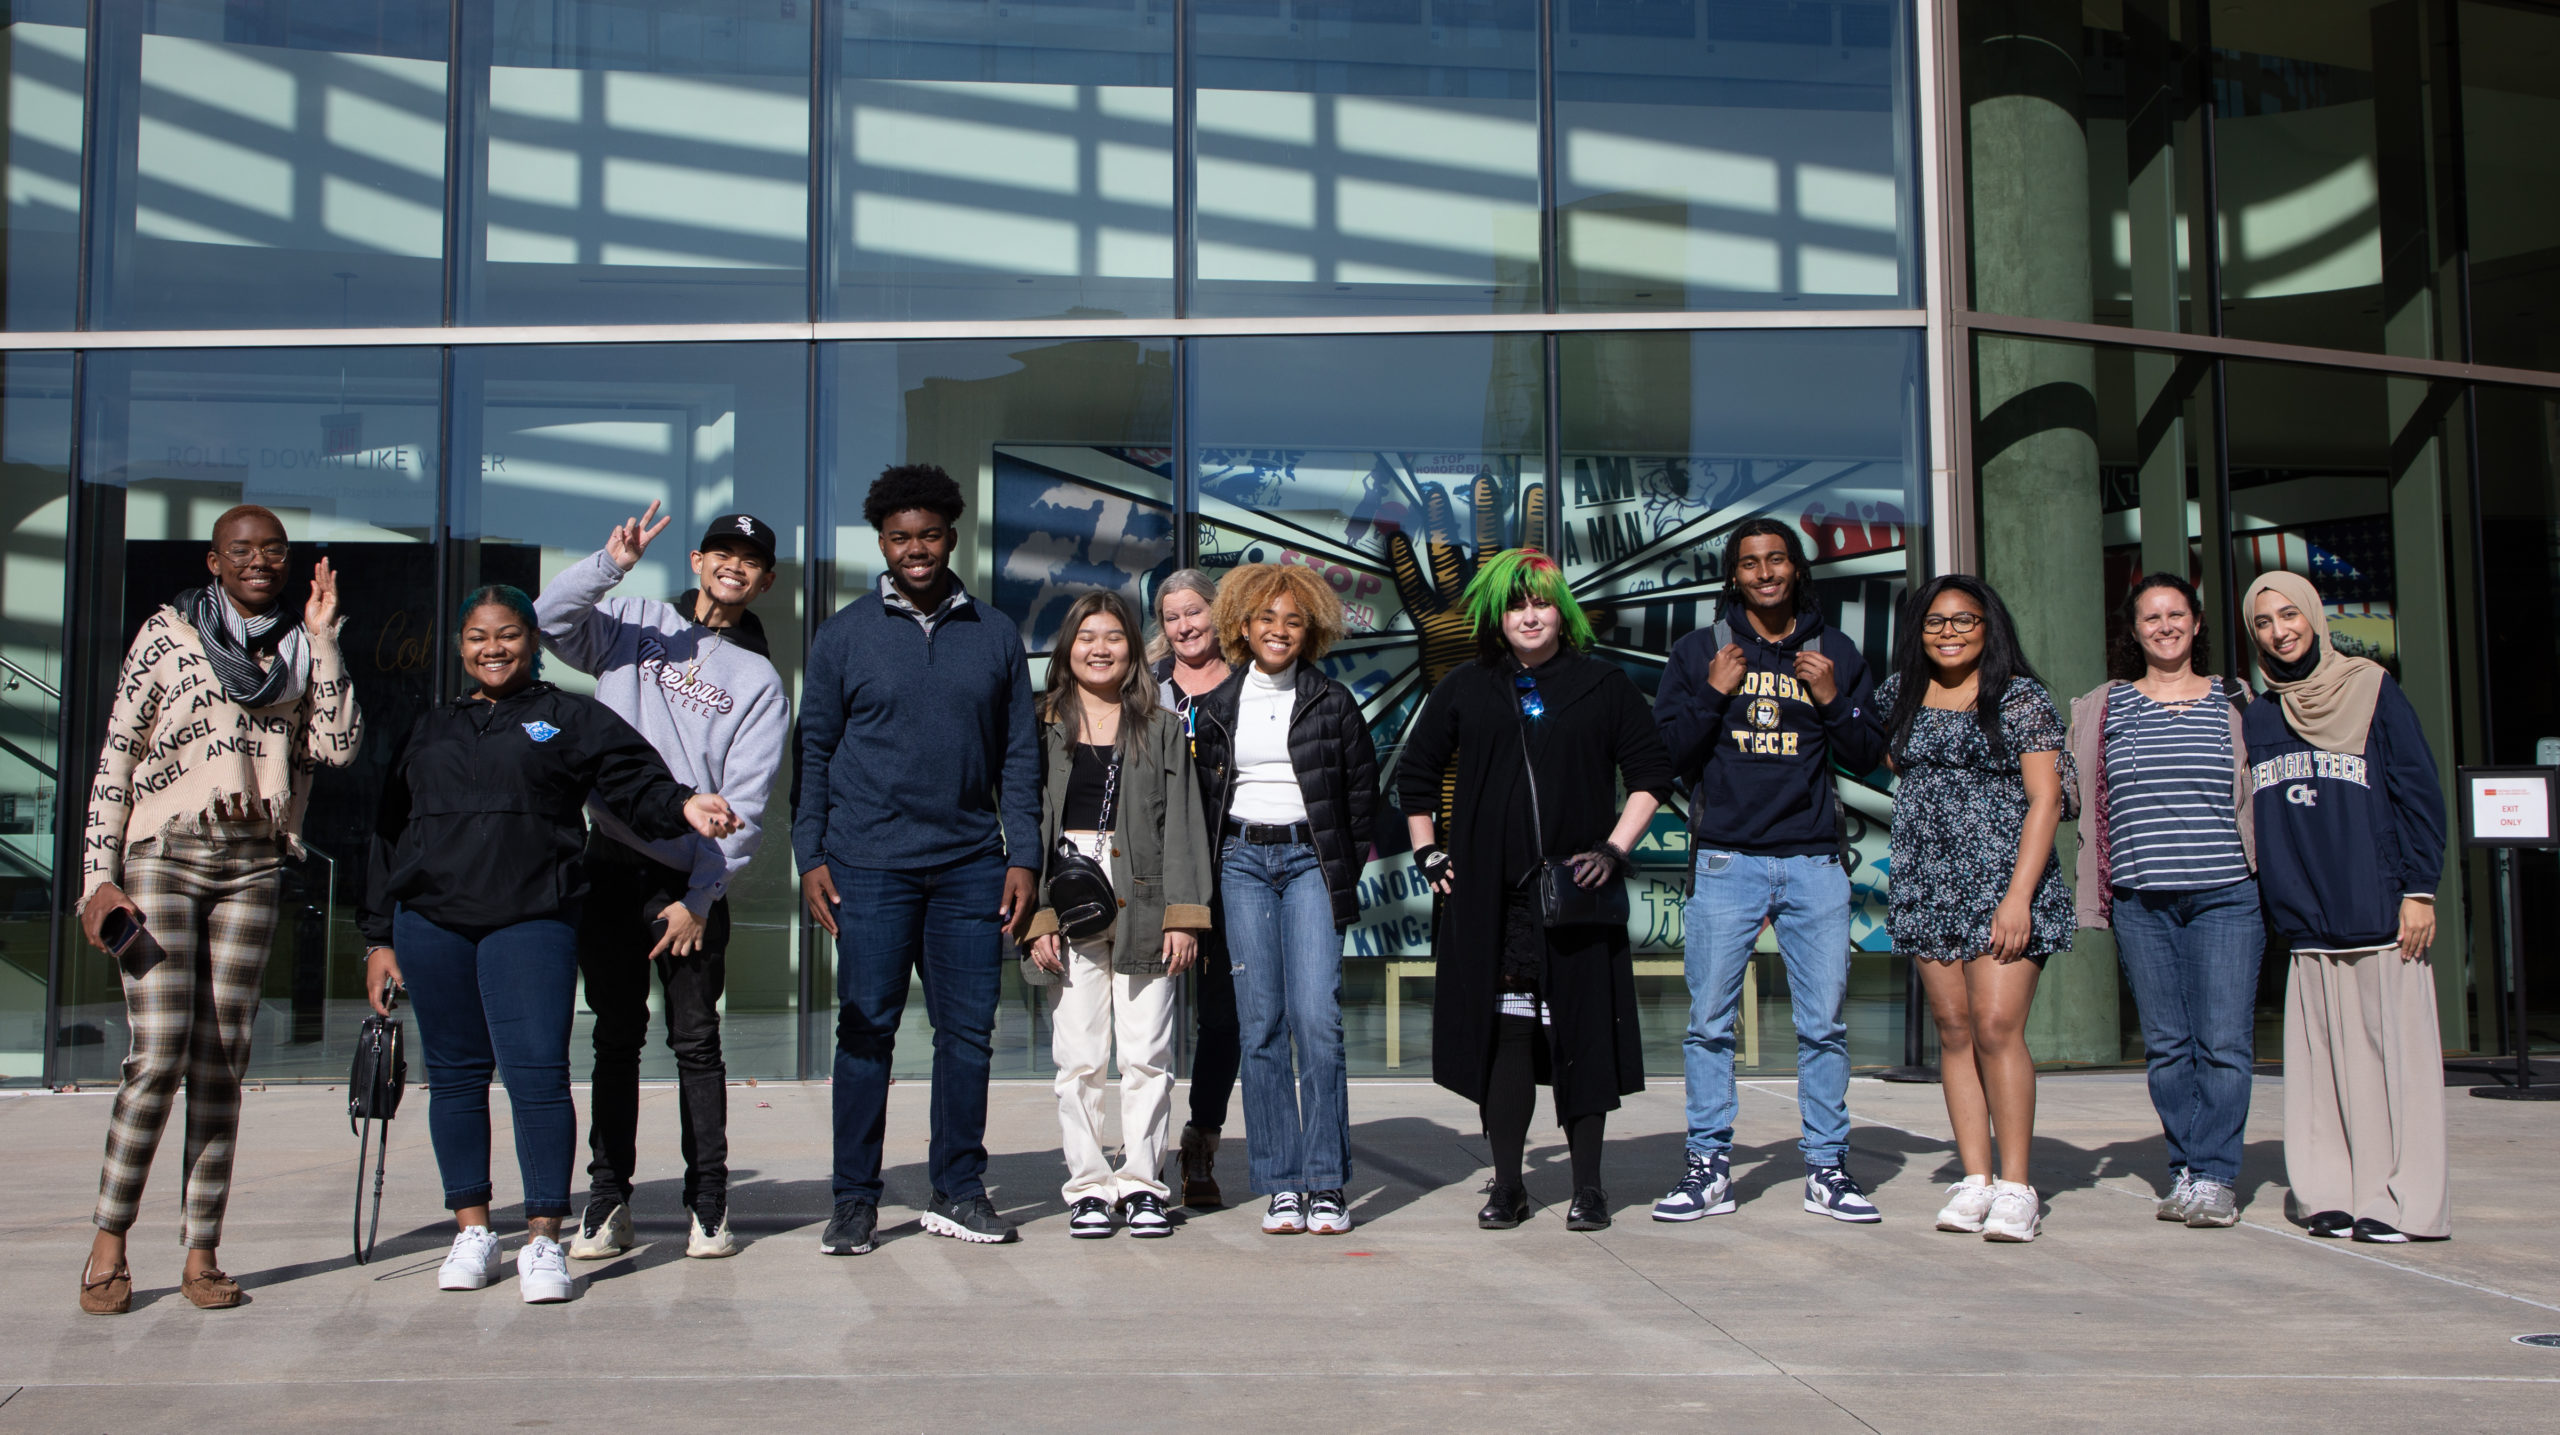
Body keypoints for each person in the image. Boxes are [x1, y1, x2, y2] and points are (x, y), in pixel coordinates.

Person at [362, 586, 740, 1304]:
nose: (492, 648)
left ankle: (541, 1237)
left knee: (537, 1075)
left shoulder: (565, 716)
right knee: (456, 1077)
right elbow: (387, 833)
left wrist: (685, 803)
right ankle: (472, 1229)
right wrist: (379, 934)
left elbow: (634, 779)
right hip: (432, 924)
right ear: (461, 645)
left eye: (507, 634)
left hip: (530, 919)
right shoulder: (430, 727)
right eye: (477, 636)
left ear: (532, 641)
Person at [75, 506, 362, 1314]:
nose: (259, 561)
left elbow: (337, 748)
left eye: (273, 549)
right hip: (161, 855)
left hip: (252, 863)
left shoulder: (301, 648)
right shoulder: (165, 635)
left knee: (220, 1062)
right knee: (158, 1052)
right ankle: (109, 1235)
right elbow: (115, 758)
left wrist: (327, 636)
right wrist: (98, 878)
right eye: (242, 550)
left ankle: (202, 1247)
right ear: (214, 560)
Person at [535, 503, 791, 1263]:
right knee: (614, 1038)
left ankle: (708, 1205)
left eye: (748, 559)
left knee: (696, 1043)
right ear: (697, 561)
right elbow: (549, 620)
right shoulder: (633, 619)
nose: (732, 565)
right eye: (720, 551)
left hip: (688, 879)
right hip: (610, 860)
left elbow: (744, 806)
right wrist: (610, 563)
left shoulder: (760, 681)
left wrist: (699, 901)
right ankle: (608, 1199)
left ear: (765, 580)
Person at [798, 464, 1042, 1256]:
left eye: (929, 535)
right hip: (867, 864)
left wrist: (1023, 855)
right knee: (864, 1030)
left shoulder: (997, 634)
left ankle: (959, 1189)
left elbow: (1020, 758)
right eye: (901, 537)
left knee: (968, 1032)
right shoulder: (842, 635)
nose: (916, 549)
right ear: (881, 541)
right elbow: (815, 752)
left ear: (951, 535)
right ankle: (855, 1200)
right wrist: (810, 854)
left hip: (972, 863)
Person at [1399, 550, 1673, 1231]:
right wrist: (1428, 849)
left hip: (1578, 887)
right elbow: (1416, 773)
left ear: (1563, 611)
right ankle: (1510, 1184)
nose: (1529, 614)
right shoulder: (1466, 685)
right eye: (1517, 603)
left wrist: (1615, 847)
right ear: (1497, 613)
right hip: (1492, 895)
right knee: (1509, 1033)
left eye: (1543, 602)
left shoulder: (1604, 685)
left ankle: (1588, 1187)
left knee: (1584, 1031)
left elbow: (1650, 775)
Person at [1651, 519, 1887, 1225]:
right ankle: (1708, 1165)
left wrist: (1833, 699)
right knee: (1709, 1024)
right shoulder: (1701, 650)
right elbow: (1666, 751)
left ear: (1794, 569)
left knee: (1823, 1025)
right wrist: (1713, 693)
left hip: (1814, 860)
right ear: (1735, 575)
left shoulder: (1833, 649)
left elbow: (1867, 751)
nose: (1764, 572)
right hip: (1726, 859)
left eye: (1776, 559)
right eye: (1750, 563)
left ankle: (1827, 1165)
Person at [2242, 571, 2449, 1244]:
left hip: (2383, 914)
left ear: (2313, 616)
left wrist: (2420, 888)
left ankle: (2400, 1202)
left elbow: (2418, 791)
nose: (2280, 630)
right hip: (2308, 922)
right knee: (2320, 1073)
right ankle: (2328, 1194)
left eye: (2289, 615)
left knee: (2398, 1071)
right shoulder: (2263, 711)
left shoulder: (2371, 687)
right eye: (2264, 622)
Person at [1876, 575, 2073, 1243]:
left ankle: (2017, 1186)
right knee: (1954, 1029)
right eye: (1936, 621)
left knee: (1995, 1025)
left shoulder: (2020, 697)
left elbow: (2046, 798)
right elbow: (1890, 762)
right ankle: (1976, 1176)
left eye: (1964, 620)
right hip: (1929, 881)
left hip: (2003, 883)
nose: (1950, 632)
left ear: (1990, 627)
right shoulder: (1899, 695)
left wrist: (2018, 896)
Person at [1187, 563, 1379, 1236]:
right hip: (1240, 861)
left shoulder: (1334, 703)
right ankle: (1280, 1183)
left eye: (1292, 620)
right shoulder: (1216, 706)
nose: (1278, 630)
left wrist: (1340, 878)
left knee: (1316, 1019)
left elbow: (1361, 806)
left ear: (1312, 629)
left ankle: (1325, 1181)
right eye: (1266, 618)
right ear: (1242, 626)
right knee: (1260, 1022)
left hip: (1309, 863)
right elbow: (1203, 803)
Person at [2066, 573, 2261, 1230]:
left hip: (2227, 893)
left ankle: (2214, 1174)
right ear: (2134, 628)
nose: (2166, 625)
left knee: (2225, 1042)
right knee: (2169, 1045)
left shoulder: (2235, 700)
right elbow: (2067, 791)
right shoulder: (2105, 706)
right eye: (2151, 616)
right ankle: (2185, 1165)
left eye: (2177, 613)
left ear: (2197, 623)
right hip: (2141, 900)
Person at [1022, 590, 1215, 1238]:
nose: (1099, 648)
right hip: (1067, 892)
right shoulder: (1040, 722)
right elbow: (1022, 825)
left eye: (1113, 637)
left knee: (1147, 1053)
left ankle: (1141, 1183)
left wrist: (1185, 914)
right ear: (1067, 647)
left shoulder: (1159, 725)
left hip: (1146, 895)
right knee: (1078, 1055)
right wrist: (1037, 917)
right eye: (1086, 637)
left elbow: (1186, 821)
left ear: (1133, 649)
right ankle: (1087, 1187)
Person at [1149, 569, 1239, 1208]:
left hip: (1234, 867)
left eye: (1194, 613)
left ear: (1217, 613)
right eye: (1172, 616)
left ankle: (1202, 1137)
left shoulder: (1250, 683)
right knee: (1147, 1017)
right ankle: (1140, 1154)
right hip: (1160, 869)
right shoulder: (1145, 692)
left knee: (1224, 1014)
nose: (1184, 626)